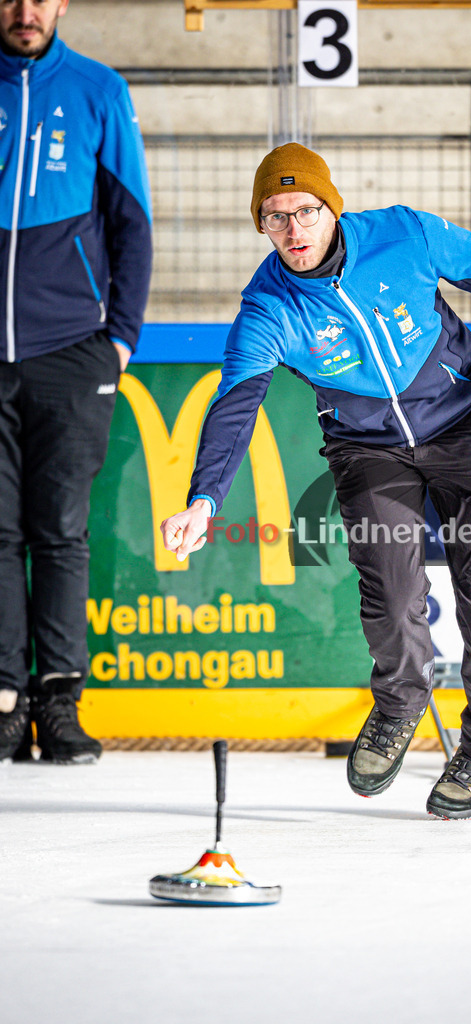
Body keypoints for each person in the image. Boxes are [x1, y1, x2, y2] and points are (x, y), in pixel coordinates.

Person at [160, 143, 471, 819]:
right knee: (391, 593)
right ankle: (398, 704)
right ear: (261, 227)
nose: (293, 230)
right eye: (275, 218)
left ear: (332, 208)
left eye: (305, 210)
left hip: (463, 427)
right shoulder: (267, 308)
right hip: (366, 450)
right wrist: (203, 499)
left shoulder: (406, 235)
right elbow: (235, 404)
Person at [0, 0, 152, 764]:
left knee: (59, 532)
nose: (24, 11)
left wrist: (119, 339)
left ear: (61, 4)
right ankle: (2, 701)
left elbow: (134, 223)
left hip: (71, 348)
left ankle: (59, 703)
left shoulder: (99, 89)